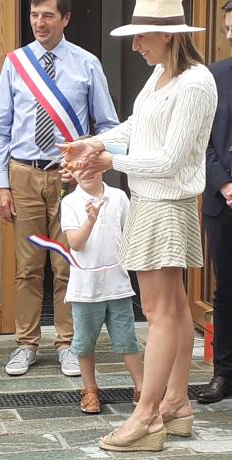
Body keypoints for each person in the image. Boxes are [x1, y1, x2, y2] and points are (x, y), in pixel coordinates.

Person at [60, 0, 217, 451]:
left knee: (160, 312)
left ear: (166, 34)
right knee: (176, 309)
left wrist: (109, 159)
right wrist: (91, 142)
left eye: (141, 37)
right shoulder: (163, 75)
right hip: (155, 202)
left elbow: (171, 159)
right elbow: (134, 126)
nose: (136, 47)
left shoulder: (194, 82)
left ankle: (147, 417)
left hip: (166, 203)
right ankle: (176, 403)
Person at [0, 0, 119, 377]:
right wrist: (1, 183)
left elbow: (108, 125)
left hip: (69, 176)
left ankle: (67, 342)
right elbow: (0, 129)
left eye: (47, 15)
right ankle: (25, 343)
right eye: (34, 15)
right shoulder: (16, 63)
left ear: (66, 18)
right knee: (28, 265)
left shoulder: (87, 63)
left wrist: (87, 165)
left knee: (67, 263)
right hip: (24, 173)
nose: (39, 23)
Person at [60, 171, 143, 414]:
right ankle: (90, 390)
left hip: (118, 285)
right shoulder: (70, 201)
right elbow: (75, 243)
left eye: (92, 165)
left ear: (103, 167)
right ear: (73, 170)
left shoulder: (118, 197)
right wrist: (91, 220)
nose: (86, 172)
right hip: (85, 289)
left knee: (128, 341)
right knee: (84, 344)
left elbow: (130, 234)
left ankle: (141, 387)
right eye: (81, 167)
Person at [198, 0, 232, 404]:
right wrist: (224, 184)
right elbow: (202, 141)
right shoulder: (213, 77)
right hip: (222, 203)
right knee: (226, 290)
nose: (230, 36)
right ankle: (224, 373)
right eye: (226, 29)